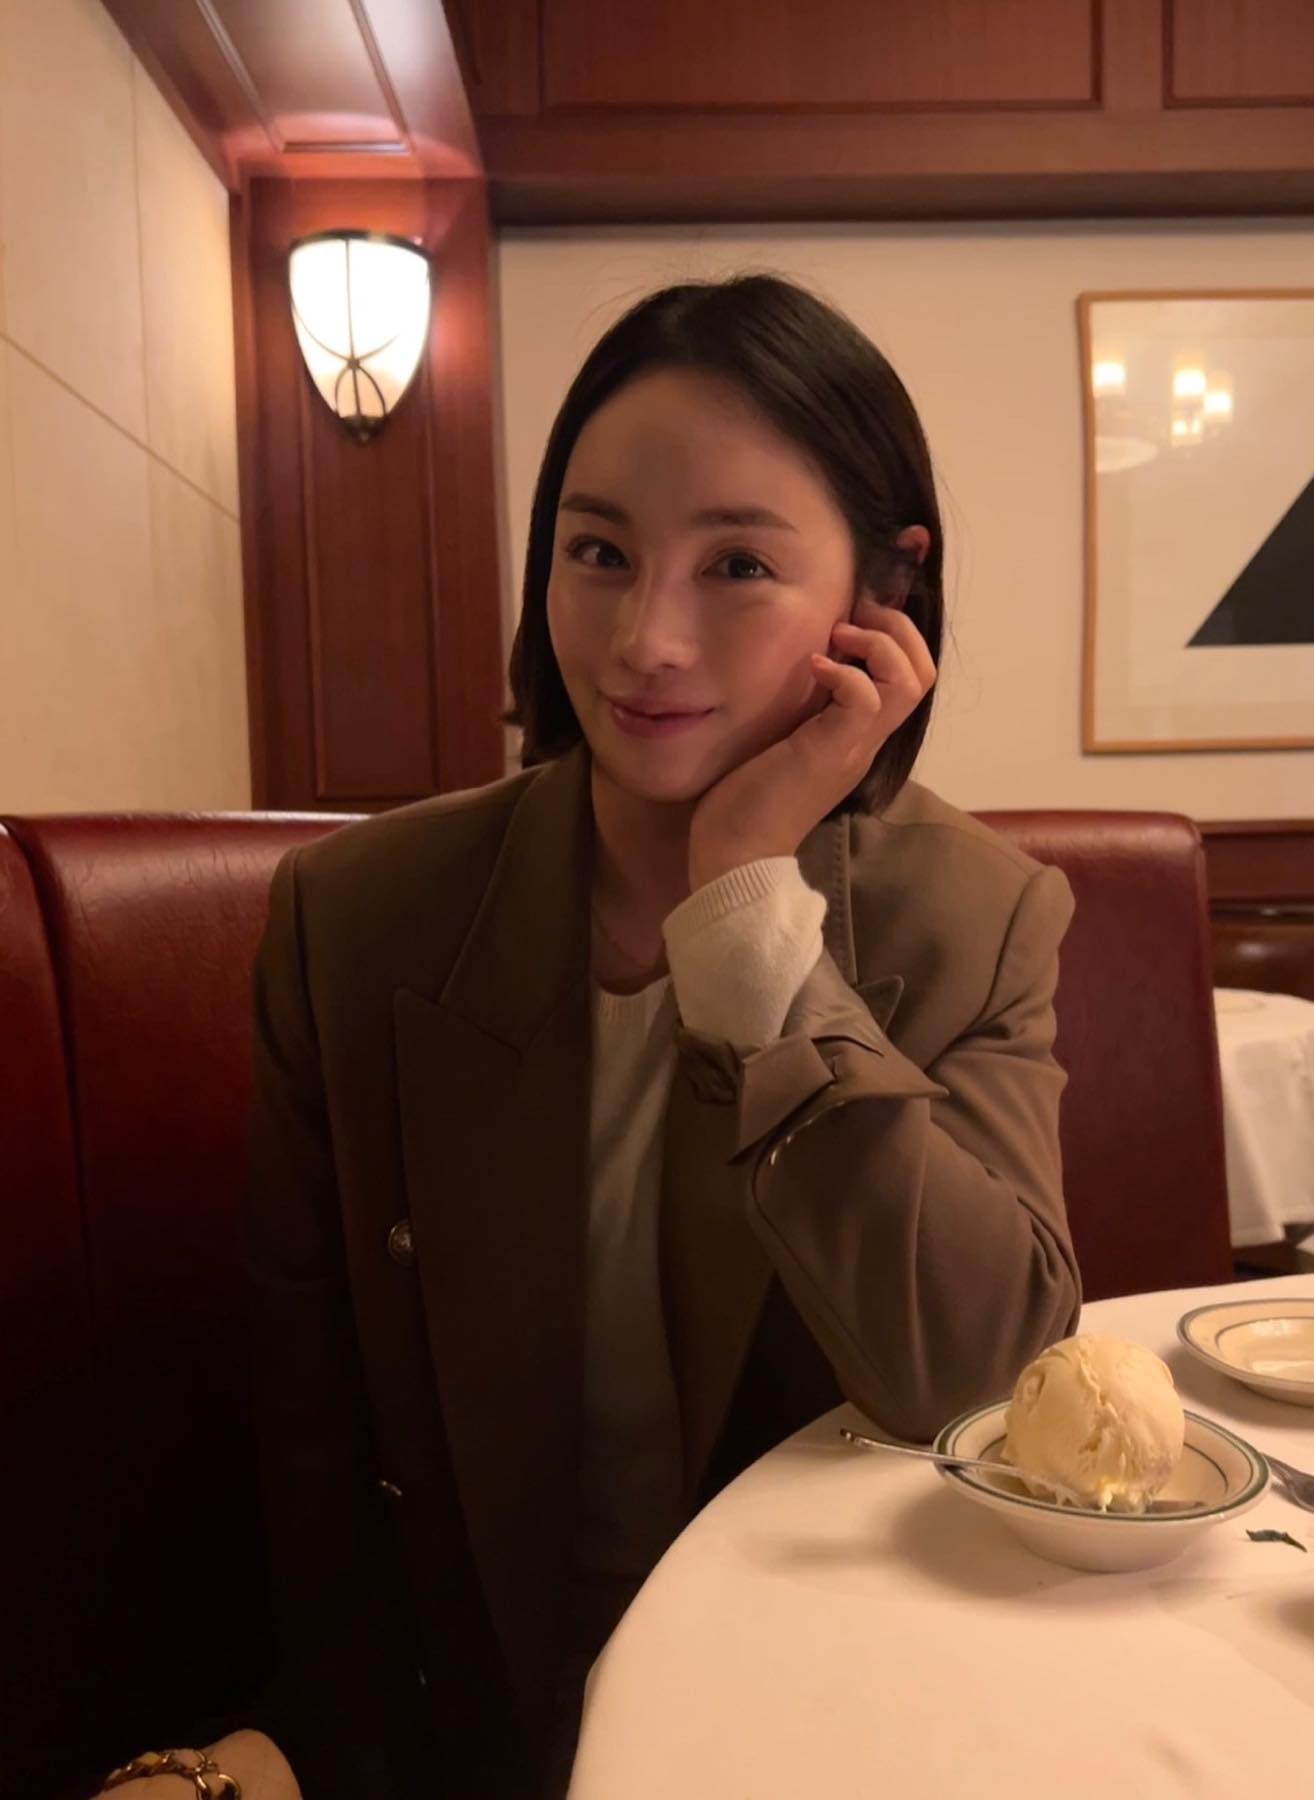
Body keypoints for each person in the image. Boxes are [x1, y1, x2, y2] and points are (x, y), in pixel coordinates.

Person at [98, 272, 1080, 1800]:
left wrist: (749, 913)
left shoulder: (975, 918)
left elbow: (977, 1379)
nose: (645, 640)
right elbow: (315, 1450)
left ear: (884, 593)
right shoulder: (359, 918)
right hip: (464, 1727)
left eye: (738, 563)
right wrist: (337, 1753)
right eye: (599, 550)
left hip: (833, 1726)